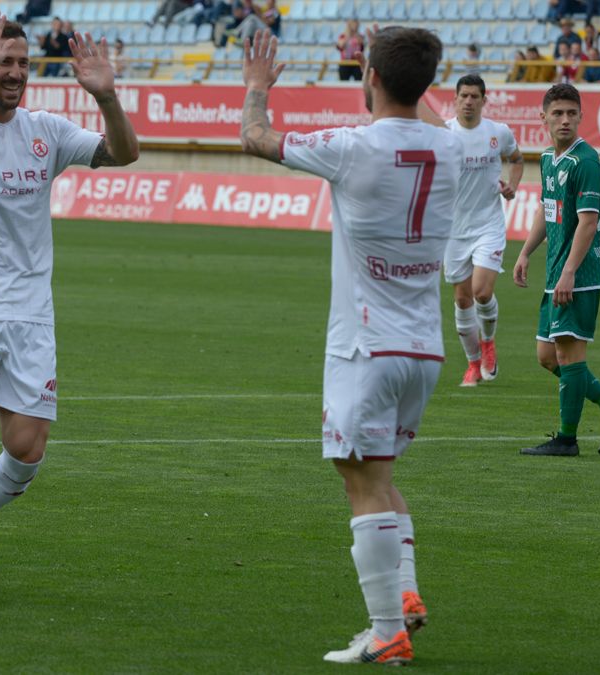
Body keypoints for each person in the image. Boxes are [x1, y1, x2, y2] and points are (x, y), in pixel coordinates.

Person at [239, 26, 460, 665]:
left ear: (369, 78)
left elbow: (255, 138)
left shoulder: (352, 147)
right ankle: (407, 597)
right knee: (377, 477)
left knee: (361, 481)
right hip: (424, 349)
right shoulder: (452, 150)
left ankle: (386, 631)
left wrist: (257, 88)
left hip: (366, 346)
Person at [0, 11, 138, 605]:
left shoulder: (46, 130)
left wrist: (107, 97)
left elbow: (122, 154)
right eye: (4, 63)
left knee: (27, 448)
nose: (15, 74)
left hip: (31, 313)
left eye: (22, 64)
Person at [512, 83, 600, 457]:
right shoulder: (549, 158)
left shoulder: (586, 162)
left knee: (568, 356)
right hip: (555, 273)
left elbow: (588, 222)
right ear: (544, 118)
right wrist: (525, 253)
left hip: (577, 276)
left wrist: (568, 271)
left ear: (581, 116)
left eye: (571, 113)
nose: (564, 120)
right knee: (547, 356)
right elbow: (546, 210)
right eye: (557, 113)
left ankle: (567, 439)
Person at [443, 74, 523, 387]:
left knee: (482, 291)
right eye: (463, 96)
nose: (468, 101)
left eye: (475, 96)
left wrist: (512, 186)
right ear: (455, 99)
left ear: (484, 100)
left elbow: (517, 160)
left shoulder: (498, 133)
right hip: (452, 230)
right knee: (462, 300)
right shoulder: (444, 134)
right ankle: (473, 364)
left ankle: (488, 343)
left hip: (488, 224)